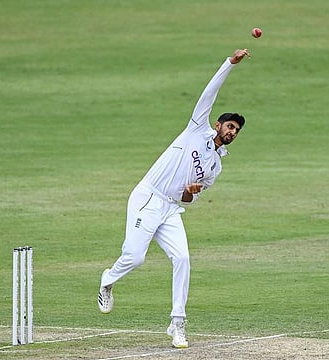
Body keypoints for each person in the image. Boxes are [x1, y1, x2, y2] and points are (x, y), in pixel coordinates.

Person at [97, 48, 251, 348]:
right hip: (147, 197)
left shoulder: (215, 167)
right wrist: (230, 63)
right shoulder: (197, 128)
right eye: (229, 126)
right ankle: (107, 280)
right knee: (135, 257)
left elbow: (190, 198)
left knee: (183, 258)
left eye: (236, 130)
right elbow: (210, 90)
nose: (232, 132)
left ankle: (177, 323)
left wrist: (190, 193)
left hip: (170, 209)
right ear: (218, 125)